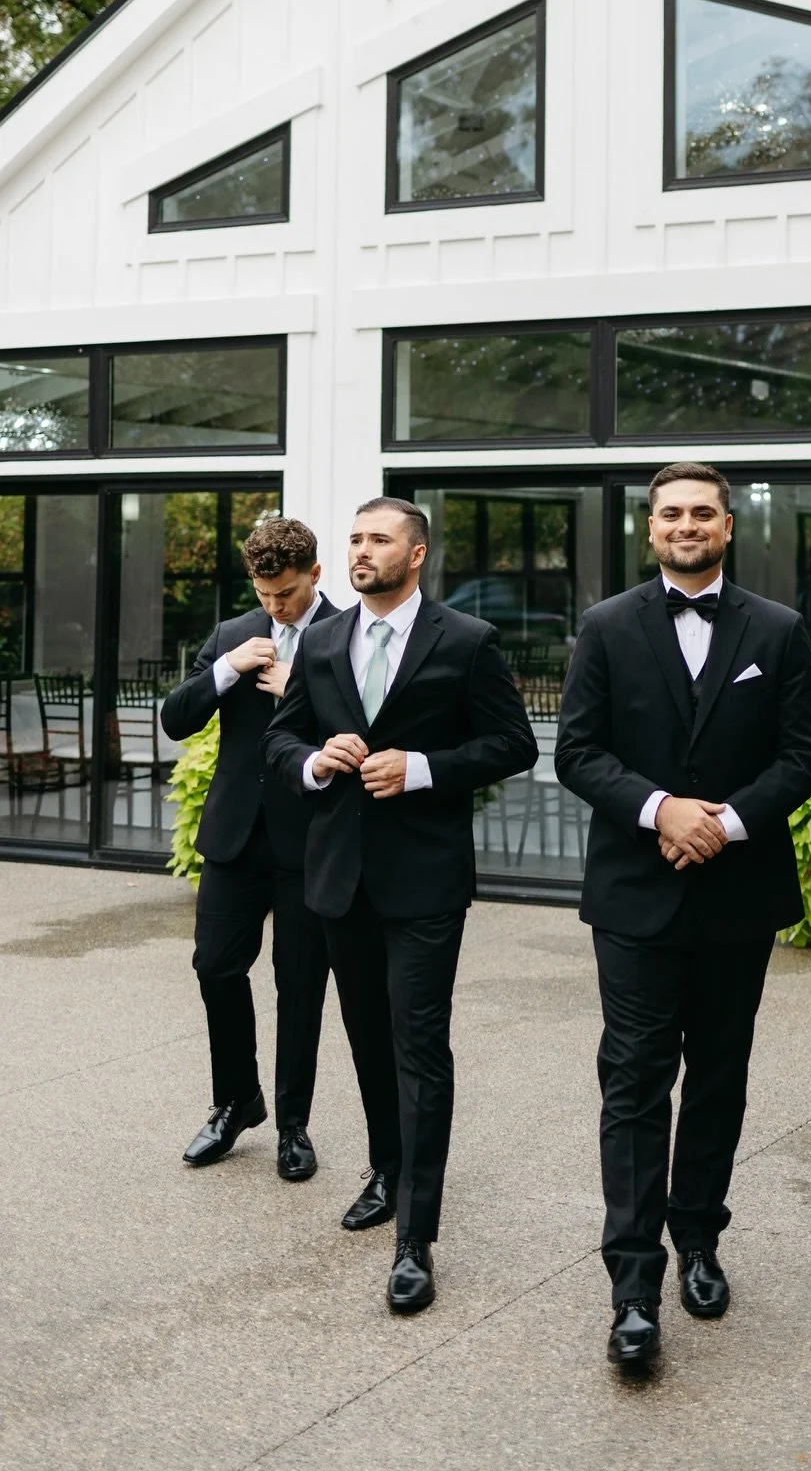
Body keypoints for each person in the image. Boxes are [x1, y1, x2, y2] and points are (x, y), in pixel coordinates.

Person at [555, 462, 811, 1368]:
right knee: (634, 1083)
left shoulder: (780, 630)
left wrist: (727, 824)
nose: (686, 525)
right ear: (650, 528)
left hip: (738, 894)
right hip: (635, 893)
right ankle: (632, 1285)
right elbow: (580, 753)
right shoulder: (604, 627)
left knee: (718, 1074)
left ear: (727, 525)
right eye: (671, 513)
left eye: (701, 513)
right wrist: (661, 810)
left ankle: (699, 1239)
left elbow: (804, 757)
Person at [264, 498, 537, 1316]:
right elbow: (281, 740)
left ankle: (416, 1237)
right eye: (354, 538)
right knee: (368, 1038)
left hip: (424, 881)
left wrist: (421, 768)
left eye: (378, 539)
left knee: (420, 1043)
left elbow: (513, 745)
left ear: (415, 554)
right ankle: (386, 1169)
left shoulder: (466, 641)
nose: (360, 550)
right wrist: (316, 760)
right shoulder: (319, 639)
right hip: (338, 876)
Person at [162, 517, 338, 1180]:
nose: (275, 607)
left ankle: (294, 1124)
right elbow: (177, 720)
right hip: (235, 838)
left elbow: (369, 729)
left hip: (309, 842)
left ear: (314, 576)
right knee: (214, 967)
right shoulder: (233, 634)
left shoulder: (348, 635)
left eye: (287, 594)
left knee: (300, 989)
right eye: (265, 595)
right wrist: (227, 671)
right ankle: (237, 1101)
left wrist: (303, 687)